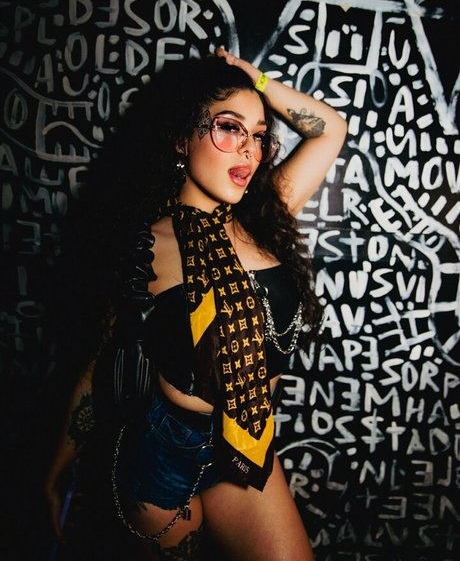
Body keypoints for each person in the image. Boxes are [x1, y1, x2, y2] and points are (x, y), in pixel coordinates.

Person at [44, 47, 347, 561]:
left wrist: (254, 80)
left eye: (258, 135)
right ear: (182, 138)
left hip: (245, 446)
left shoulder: (266, 213)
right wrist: (56, 467)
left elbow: (330, 129)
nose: (249, 150)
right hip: (164, 456)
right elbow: (98, 367)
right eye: (229, 128)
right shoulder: (142, 248)